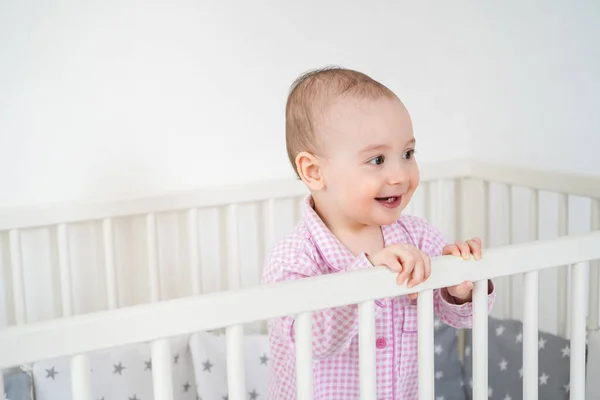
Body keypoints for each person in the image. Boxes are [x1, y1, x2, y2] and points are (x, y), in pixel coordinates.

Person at [262, 66, 495, 399]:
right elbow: (314, 341)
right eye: (377, 160)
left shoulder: (418, 238)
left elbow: (464, 318)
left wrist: (461, 289)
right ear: (314, 172)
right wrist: (366, 273)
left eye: (407, 154)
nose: (400, 174)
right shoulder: (293, 257)